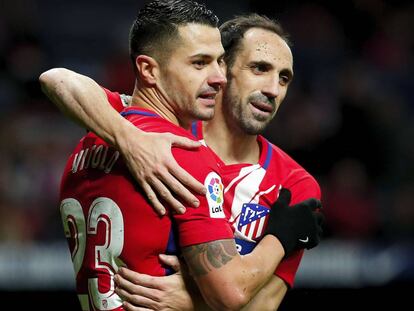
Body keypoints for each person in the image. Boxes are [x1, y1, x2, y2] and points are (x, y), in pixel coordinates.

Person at [40, 1, 323, 311]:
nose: (272, 89)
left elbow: (264, 306)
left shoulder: (295, 186)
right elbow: (57, 79)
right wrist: (132, 141)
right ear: (226, 70)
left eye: (284, 79)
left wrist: (194, 303)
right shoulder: (172, 145)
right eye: (259, 68)